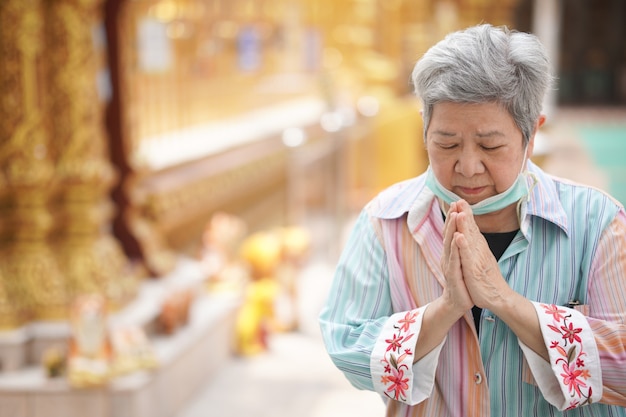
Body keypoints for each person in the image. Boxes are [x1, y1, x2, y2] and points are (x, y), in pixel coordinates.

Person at [319, 24, 626, 416]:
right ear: (424, 127)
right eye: (446, 143)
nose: (467, 167)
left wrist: (506, 303)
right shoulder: (385, 222)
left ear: (532, 134)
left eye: (490, 145)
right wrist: (445, 309)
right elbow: (346, 344)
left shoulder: (597, 223)